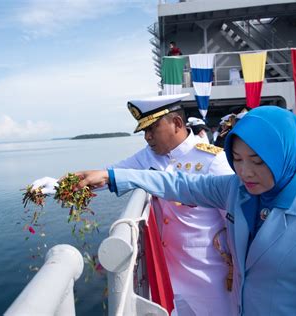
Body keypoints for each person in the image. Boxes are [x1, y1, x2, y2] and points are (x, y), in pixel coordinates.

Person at [75, 106, 296, 316]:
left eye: (258, 161)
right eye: (236, 159)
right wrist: (112, 176)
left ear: (285, 154)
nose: (245, 172)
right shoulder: (236, 190)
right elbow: (179, 184)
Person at [35, 94, 237, 316]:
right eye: (144, 131)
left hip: (211, 277)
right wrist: (58, 186)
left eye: (152, 129)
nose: (147, 137)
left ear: (177, 123)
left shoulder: (212, 160)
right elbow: (107, 175)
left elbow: (235, 218)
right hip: (170, 276)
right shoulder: (148, 157)